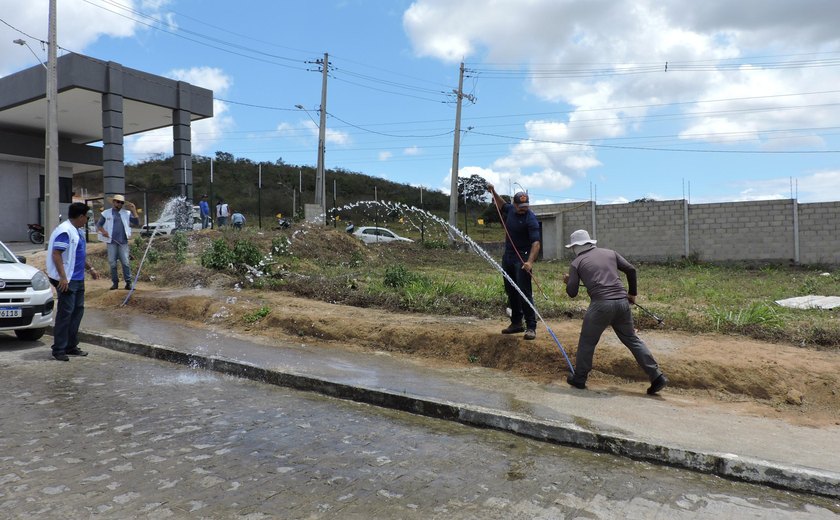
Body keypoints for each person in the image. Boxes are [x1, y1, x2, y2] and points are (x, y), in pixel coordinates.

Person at [562, 229, 668, 395]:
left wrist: (568, 281)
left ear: (575, 247)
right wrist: (632, 294)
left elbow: (572, 293)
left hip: (601, 306)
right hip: (622, 303)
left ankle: (580, 378)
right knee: (632, 339)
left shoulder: (577, 263)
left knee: (587, 341)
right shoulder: (610, 253)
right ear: (590, 242)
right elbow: (631, 270)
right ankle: (656, 375)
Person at [46, 202, 100, 361]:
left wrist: (90, 268)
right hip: (67, 280)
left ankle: (71, 345)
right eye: (87, 217)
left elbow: (79, 254)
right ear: (81, 216)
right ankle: (59, 349)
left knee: (77, 312)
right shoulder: (65, 231)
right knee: (65, 314)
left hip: (77, 278)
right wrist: (63, 278)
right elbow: (56, 254)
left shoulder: (77, 231)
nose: (87, 220)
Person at [487, 184, 541, 340]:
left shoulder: (530, 219)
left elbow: (536, 243)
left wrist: (530, 262)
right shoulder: (510, 209)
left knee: (524, 292)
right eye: (520, 206)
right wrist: (493, 191)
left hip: (523, 257)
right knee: (511, 290)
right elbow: (501, 204)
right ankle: (516, 323)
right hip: (508, 256)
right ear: (515, 204)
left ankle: (531, 327)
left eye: (526, 206)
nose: (523, 209)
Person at [96, 194, 139, 290]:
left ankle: (128, 283)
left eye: (122, 202)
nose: (120, 204)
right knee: (112, 263)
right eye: (118, 202)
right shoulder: (106, 213)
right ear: (114, 202)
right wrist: (104, 232)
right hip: (111, 241)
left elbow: (136, 222)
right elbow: (99, 225)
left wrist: (134, 210)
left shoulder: (127, 213)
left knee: (125, 262)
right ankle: (115, 283)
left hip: (123, 241)